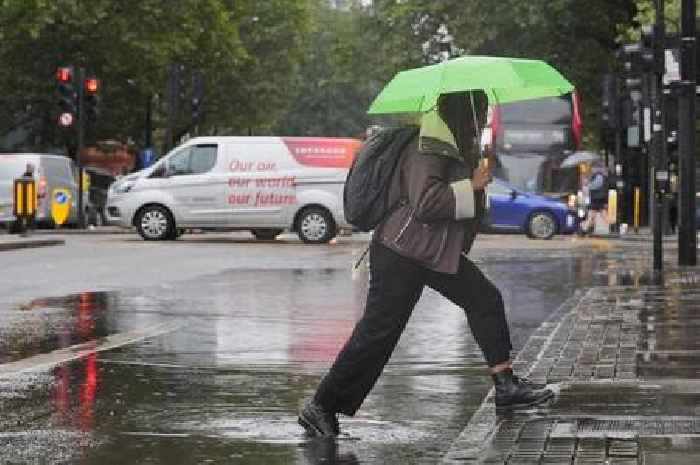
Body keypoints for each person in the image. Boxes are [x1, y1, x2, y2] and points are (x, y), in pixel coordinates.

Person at [298, 91, 554, 437]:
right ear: (463, 114)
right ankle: (321, 406)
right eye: (477, 114)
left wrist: (476, 181)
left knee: (484, 299)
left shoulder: (450, 146)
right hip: (401, 252)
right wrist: (471, 184)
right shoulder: (428, 147)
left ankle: (506, 385)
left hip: (429, 252)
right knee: (378, 332)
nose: (479, 124)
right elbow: (426, 202)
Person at [581, 165, 609, 235]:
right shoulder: (596, 176)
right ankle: (585, 229)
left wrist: (587, 184)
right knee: (593, 215)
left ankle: (584, 229)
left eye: (593, 168)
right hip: (596, 198)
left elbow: (596, 186)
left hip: (598, 198)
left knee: (597, 214)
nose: (592, 170)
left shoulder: (599, 176)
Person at [17, 163, 36, 236]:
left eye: (33, 168)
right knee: (27, 217)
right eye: (32, 168)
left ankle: (27, 231)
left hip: (29, 200)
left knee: (28, 217)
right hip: (27, 201)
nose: (33, 170)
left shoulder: (29, 176)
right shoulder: (26, 177)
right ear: (28, 168)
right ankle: (26, 231)